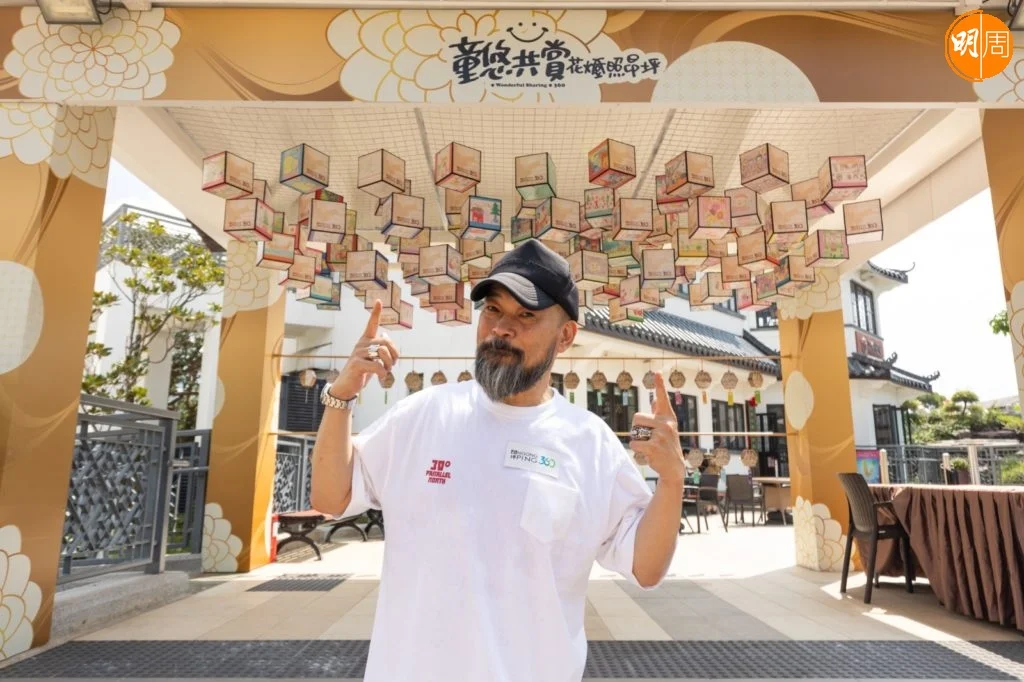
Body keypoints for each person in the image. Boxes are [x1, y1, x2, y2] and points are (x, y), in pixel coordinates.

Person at [310, 239, 685, 682]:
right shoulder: (423, 414)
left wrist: (672, 479)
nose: (502, 328)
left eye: (526, 315)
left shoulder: (590, 443)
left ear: (565, 336)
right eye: (492, 309)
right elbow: (331, 497)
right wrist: (343, 395)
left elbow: (645, 567)